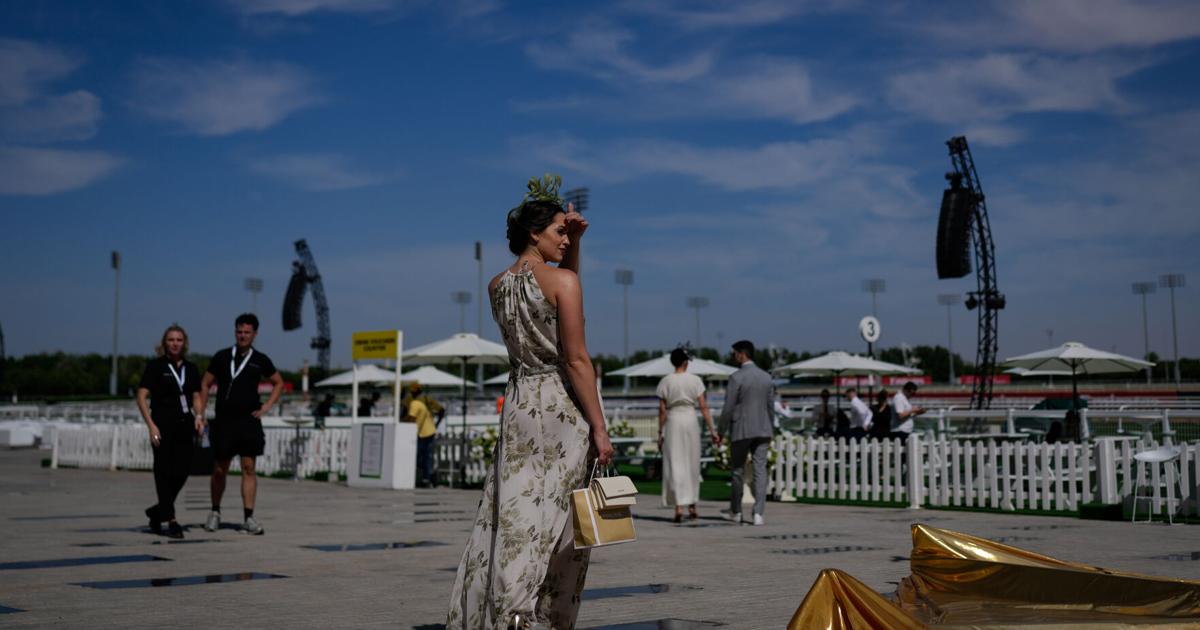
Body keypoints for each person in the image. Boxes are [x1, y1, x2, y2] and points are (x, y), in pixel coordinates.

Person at [447, 174, 614, 629]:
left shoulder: (496, 285)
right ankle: (542, 617)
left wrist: (573, 244)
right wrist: (600, 426)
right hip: (562, 409)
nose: (566, 237)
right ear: (534, 233)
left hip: (519, 404)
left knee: (516, 515)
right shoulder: (563, 281)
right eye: (560, 231)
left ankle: (507, 612)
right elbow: (576, 357)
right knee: (562, 524)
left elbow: (558, 286)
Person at [195, 313, 284, 536]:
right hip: (224, 421)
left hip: (248, 421)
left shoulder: (260, 359)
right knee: (219, 469)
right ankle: (215, 512)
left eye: (247, 332)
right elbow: (205, 384)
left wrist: (266, 408)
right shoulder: (222, 357)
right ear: (235, 332)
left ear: (255, 334)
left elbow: (278, 383)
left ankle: (248, 517)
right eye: (239, 331)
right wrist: (201, 412)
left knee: (249, 468)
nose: (242, 336)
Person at [136, 324, 203, 539]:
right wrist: (151, 425)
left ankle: (157, 512)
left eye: (179, 340)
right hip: (162, 425)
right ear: (165, 342)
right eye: (171, 339)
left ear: (185, 343)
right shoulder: (156, 366)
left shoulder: (191, 368)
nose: (175, 343)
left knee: (182, 471)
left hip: (185, 425)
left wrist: (200, 416)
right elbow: (141, 396)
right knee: (163, 470)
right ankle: (171, 519)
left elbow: (196, 396)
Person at [656, 348, 721, 523]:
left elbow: (662, 410)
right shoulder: (695, 380)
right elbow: (704, 407)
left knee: (676, 462)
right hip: (691, 419)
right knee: (692, 462)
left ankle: (679, 507)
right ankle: (692, 505)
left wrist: (660, 433)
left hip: (674, 420)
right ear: (685, 362)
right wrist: (713, 430)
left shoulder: (665, 381)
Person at [718, 340, 775, 526]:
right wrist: (771, 427)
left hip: (742, 429)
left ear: (742, 354)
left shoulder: (736, 377)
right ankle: (759, 513)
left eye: (735, 353)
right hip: (763, 428)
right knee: (760, 470)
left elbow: (728, 408)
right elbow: (770, 406)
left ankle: (736, 511)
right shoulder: (766, 377)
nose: (733, 357)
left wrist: (721, 430)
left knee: (737, 471)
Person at [406, 382, 437, 487]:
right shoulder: (426, 399)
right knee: (427, 457)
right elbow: (441, 410)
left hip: (422, 433)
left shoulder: (414, 403)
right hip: (430, 430)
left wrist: (405, 429)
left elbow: (412, 418)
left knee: (419, 457)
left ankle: (424, 478)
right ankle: (428, 478)